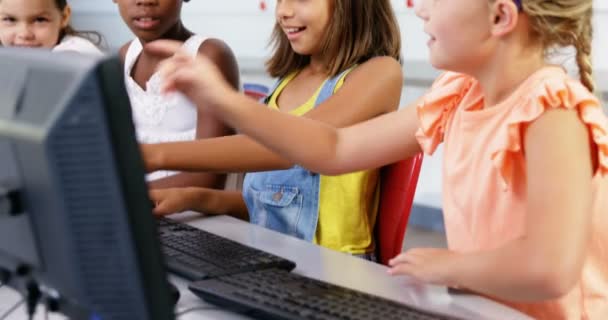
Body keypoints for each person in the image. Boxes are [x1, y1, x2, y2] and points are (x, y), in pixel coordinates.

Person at [152, 0, 608, 318]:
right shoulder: (460, 96)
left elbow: (549, 269)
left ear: (501, 15)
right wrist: (224, 101)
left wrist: (447, 266)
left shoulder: (553, 110)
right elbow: (335, 149)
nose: (420, 8)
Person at [145, 0, 403, 258]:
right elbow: (270, 202)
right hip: (273, 256)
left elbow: (287, 151)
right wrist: (195, 198)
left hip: (336, 269)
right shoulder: (286, 84)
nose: (283, 12)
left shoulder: (380, 73)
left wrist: (152, 155)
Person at [114, 0, 240, 188]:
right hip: (142, 207)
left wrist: (128, 195)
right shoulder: (125, 56)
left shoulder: (209, 55)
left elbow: (208, 179)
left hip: (194, 211)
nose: (145, 1)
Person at [0, 0, 103, 56]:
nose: (24, 34)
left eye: (40, 20)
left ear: (64, 17)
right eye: (10, 19)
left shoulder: (75, 53)